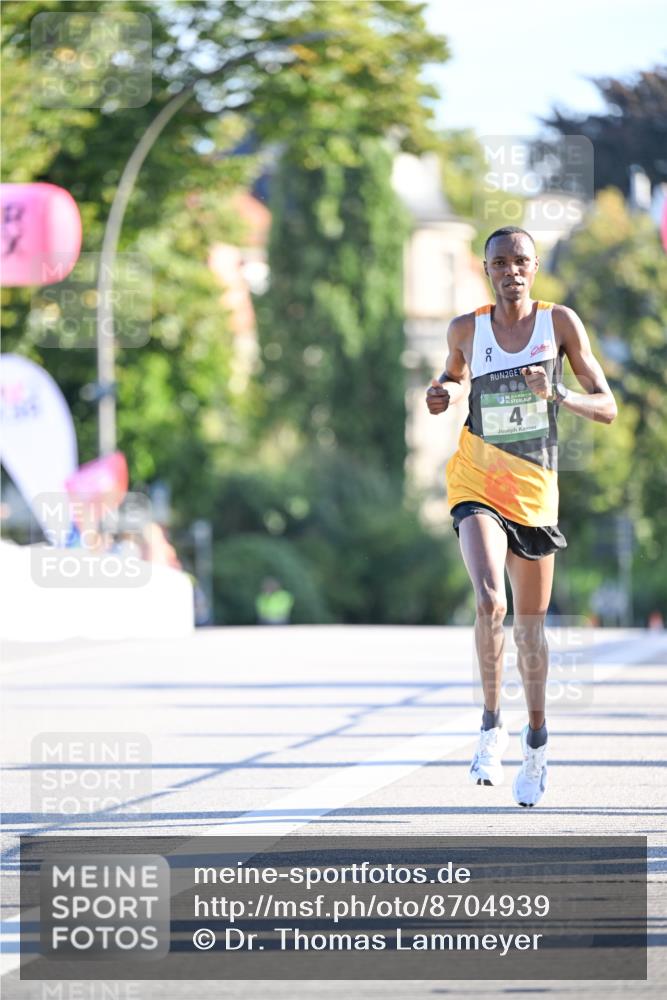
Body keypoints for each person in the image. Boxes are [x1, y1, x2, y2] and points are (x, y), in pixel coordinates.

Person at [426, 226, 617, 807]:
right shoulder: (467, 328)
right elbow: (452, 380)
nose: (512, 271)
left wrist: (555, 393)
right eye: (501, 262)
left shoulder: (560, 324)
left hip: (534, 490)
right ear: (487, 269)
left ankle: (536, 741)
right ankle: (490, 726)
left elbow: (607, 406)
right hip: (477, 479)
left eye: (522, 262)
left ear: (534, 269)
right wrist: (440, 392)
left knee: (531, 628)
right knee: (491, 602)